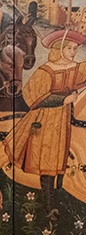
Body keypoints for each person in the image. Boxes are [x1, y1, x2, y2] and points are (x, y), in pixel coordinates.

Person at [5, 29, 86, 221]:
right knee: (49, 161)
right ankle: (50, 207)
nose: (73, 52)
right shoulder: (45, 71)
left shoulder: (76, 67)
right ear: (58, 49)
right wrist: (63, 100)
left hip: (67, 117)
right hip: (47, 119)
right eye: (69, 48)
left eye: (75, 48)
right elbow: (32, 97)